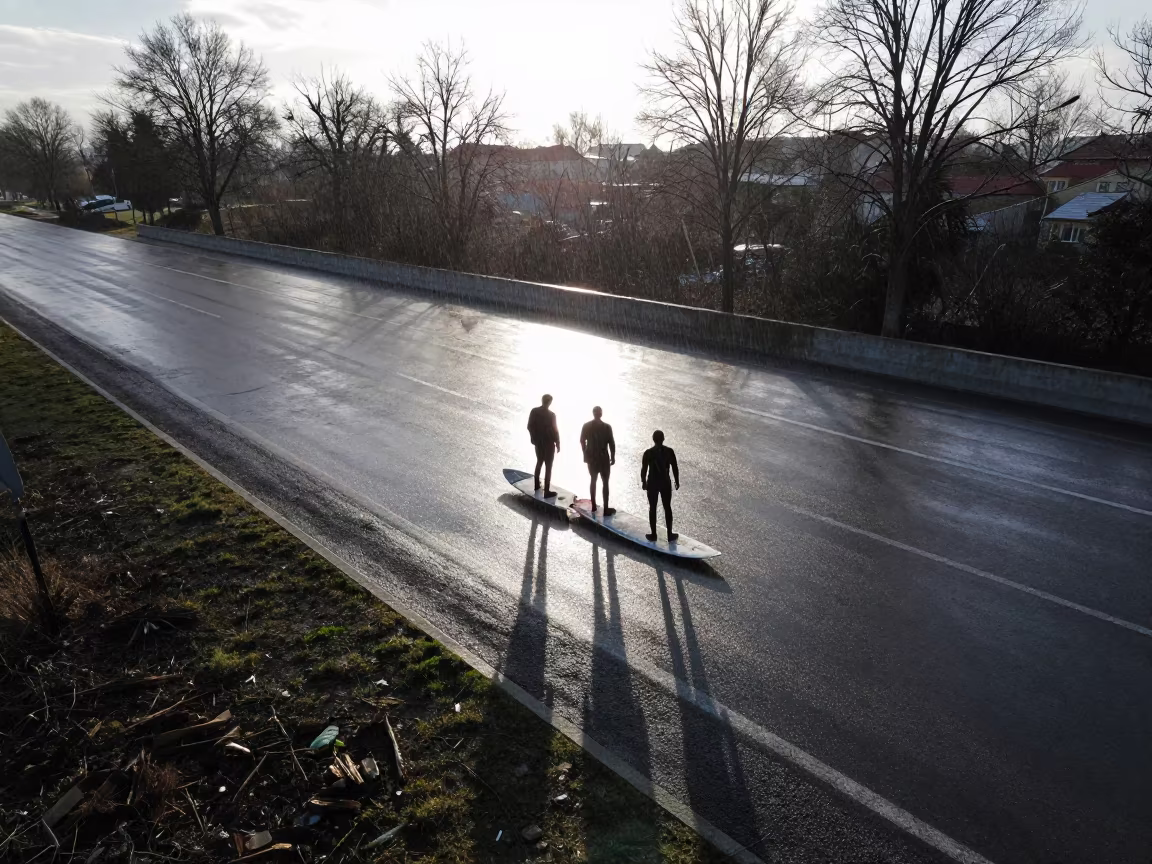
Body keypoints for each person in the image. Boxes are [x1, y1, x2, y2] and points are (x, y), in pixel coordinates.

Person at [641, 430, 679, 542]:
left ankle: (653, 534)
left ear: (653, 439)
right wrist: (677, 480)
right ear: (663, 439)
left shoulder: (648, 453)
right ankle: (670, 534)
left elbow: (644, 470)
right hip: (665, 482)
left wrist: (643, 481)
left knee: (652, 508)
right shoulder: (669, 451)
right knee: (667, 507)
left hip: (652, 483)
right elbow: (675, 467)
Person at [579, 406, 616, 515]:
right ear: (601, 414)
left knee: (593, 480)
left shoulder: (586, 426)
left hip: (592, 457)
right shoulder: (607, 427)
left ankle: (594, 506)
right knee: (605, 483)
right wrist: (613, 456)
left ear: (593, 413)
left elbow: (582, 441)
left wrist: (585, 452)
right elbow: (611, 443)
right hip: (603, 457)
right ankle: (605, 509)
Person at [526, 394, 560, 497]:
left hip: (539, 442)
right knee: (548, 466)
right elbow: (555, 430)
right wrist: (558, 443)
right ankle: (547, 491)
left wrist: (533, 438)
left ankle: (537, 485)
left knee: (539, 462)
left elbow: (529, 426)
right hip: (549, 443)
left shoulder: (534, 411)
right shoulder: (551, 415)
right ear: (549, 402)